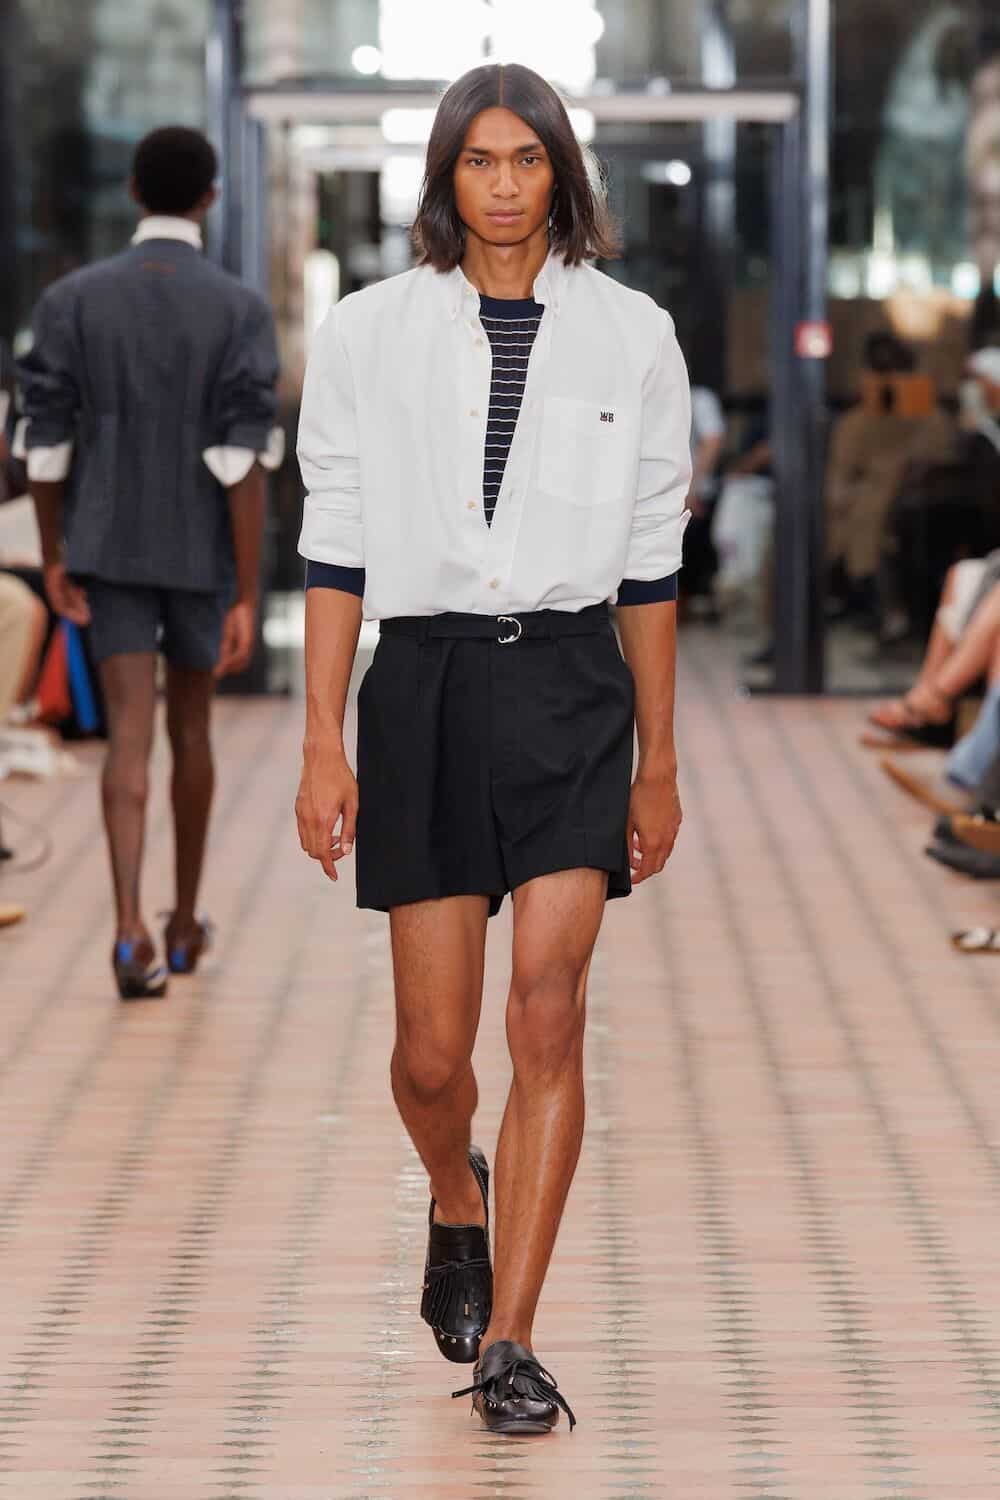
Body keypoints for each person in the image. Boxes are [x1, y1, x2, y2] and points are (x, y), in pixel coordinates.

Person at [294, 64, 690, 1438]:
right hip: (424, 688)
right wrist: (322, 741)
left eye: (528, 159)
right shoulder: (368, 331)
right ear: (446, 178)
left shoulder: (633, 335)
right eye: (481, 160)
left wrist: (659, 760)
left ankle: (511, 1339)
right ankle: (455, 1190)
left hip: (574, 686)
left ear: (562, 174)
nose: (506, 184)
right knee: (427, 1057)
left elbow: (653, 564)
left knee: (547, 1010)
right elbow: (334, 547)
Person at [17, 126, 280, 1000]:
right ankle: (184, 922)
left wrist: (55, 553)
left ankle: (128, 928)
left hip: (108, 544)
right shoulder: (239, 308)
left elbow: (45, 444)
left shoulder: (72, 300)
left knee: (127, 732)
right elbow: (244, 461)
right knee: (191, 732)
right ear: (210, 197)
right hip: (202, 551)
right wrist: (246, 589)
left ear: (134, 190)